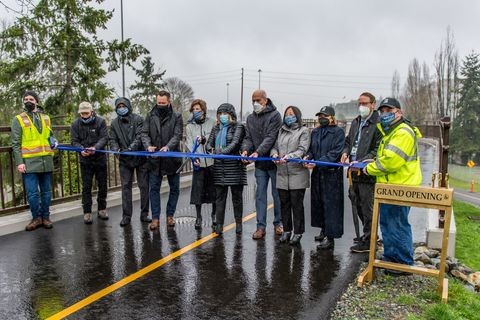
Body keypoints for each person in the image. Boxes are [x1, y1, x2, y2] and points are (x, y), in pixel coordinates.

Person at [364, 97, 422, 275]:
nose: (384, 115)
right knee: (389, 223)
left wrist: (369, 168)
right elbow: (385, 157)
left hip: (400, 187)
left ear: (399, 112)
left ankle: (402, 263)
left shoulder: (402, 132)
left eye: (389, 111)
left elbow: (391, 161)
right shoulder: (392, 132)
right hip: (391, 186)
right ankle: (391, 258)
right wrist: (373, 160)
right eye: (382, 112)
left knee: (397, 224)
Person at [340, 92, 381, 253]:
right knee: (355, 202)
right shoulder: (356, 122)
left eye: (365, 103)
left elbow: (377, 148)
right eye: (360, 103)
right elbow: (349, 141)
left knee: (367, 206)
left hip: (366, 171)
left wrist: (364, 161)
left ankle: (370, 240)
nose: (361, 107)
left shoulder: (377, 123)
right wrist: (345, 152)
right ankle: (367, 234)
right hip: (353, 170)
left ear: (373, 104)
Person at [11, 91, 57, 231]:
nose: (28, 101)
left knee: (46, 192)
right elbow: (15, 143)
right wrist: (19, 162)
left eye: (31, 99)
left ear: (36, 101)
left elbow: (50, 136)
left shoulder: (46, 118)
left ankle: (46, 217)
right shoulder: (18, 119)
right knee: (32, 193)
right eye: (25, 99)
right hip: (29, 162)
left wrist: (54, 142)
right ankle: (36, 218)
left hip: (46, 161)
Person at [241, 89, 283, 240]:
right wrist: (246, 150)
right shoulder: (250, 118)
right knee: (260, 195)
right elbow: (248, 138)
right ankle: (260, 227)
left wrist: (258, 152)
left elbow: (271, 137)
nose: (255, 103)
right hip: (260, 165)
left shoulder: (275, 116)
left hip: (273, 161)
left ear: (265, 100)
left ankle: (278, 223)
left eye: (258, 100)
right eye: (253, 100)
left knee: (277, 195)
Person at [305, 106, 345, 250]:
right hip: (317, 173)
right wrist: (308, 157)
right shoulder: (315, 132)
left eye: (325, 116)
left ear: (332, 117)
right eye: (320, 115)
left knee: (331, 206)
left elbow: (336, 152)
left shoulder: (338, 132)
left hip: (331, 174)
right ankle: (323, 230)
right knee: (319, 203)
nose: (322, 118)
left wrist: (318, 162)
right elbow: (311, 149)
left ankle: (331, 237)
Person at [142, 90, 183, 230]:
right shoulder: (150, 115)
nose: (160, 105)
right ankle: (155, 218)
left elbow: (177, 135)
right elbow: (144, 133)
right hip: (155, 160)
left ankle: (170, 215)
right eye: (158, 102)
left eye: (163, 103)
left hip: (172, 158)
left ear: (169, 102)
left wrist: (168, 147)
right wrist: (148, 146)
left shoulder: (177, 116)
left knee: (175, 189)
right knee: (153, 189)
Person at [271, 106, 310, 245]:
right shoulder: (281, 131)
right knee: (284, 205)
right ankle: (287, 230)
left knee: (297, 205)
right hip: (282, 173)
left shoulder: (303, 131)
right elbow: (274, 146)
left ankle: (298, 232)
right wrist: (274, 154)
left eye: (292, 114)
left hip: (297, 174)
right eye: (287, 114)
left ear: (297, 116)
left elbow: (302, 149)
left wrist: (289, 156)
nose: (289, 116)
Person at [109, 97, 151, 226]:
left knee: (144, 186)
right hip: (124, 160)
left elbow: (140, 136)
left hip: (140, 159)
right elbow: (112, 139)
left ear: (128, 106)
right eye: (119, 106)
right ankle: (126, 216)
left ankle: (144, 214)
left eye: (123, 106)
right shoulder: (114, 123)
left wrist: (130, 149)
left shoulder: (138, 119)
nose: (121, 108)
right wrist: (116, 149)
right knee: (126, 188)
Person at [206, 103, 246, 235]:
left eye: (225, 113)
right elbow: (208, 144)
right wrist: (209, 149)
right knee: (220, 198)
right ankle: (219, 225)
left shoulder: (238, 126)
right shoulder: (216, 128)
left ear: (231, 115)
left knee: (237, 198)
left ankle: (238, 223)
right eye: (220, 113)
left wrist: (221, 152)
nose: (222, 116)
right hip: (219, 168)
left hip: (235, 167)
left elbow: (235, 144)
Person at [71, 101, 109, 224]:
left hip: (99, 158)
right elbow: (74, 140)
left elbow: (104, 138)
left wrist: (95, 148)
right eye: (82, 113)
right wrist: (81, 149)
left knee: (102, 185)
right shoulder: (75, 124)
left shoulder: (100, 122)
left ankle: (102, 208)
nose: (85, 115)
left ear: (91, 112)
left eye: (86, 113)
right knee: (86, 187)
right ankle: (87, 212)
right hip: (85, 160)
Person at [185, 99, 217, 230]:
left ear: (203, 110)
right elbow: (189, 143)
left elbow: (214, 140)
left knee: (214, 191)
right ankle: (198, 217)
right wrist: (194, 157)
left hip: (211, 162)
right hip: (198, 163)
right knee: (198, 191)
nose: (196, 111)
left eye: (198, 109)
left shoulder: (212, 123)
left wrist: (206, 141)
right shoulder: (189, 126)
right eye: (194, 109)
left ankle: (214, 215)